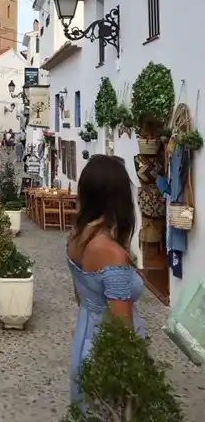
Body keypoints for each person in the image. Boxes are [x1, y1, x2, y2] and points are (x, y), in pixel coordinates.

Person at [67, 154, 145, 405]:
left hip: (85, 334)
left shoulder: (76, 236)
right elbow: (122, 332)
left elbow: (80, 296)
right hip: (106, 348)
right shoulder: (111, 253)